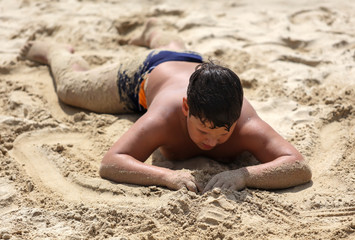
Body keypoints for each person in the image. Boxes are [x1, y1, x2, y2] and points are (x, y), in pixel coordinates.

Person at [18, 18, 312, 193]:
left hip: (192, 63)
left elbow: (298, 166)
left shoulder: (245, 123)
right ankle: (54, 50)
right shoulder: (165, 115)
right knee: (72, 88)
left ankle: (156, 32)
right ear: (186, 108)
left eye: (223, 134)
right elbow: (111, 162)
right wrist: (167, 176)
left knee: (178, 52)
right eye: (203, 131)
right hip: (146, 73)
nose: (212, 141)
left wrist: (243, 175)